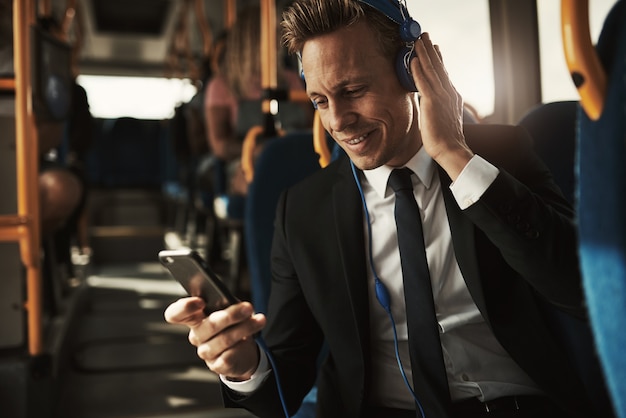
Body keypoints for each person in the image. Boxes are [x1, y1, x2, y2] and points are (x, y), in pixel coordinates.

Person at [165, 0, 601, 417]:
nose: (337, 120)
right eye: (320, 101)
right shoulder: (302, 210)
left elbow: (576, 289)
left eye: (353, 90)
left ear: (412, 72)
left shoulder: (502, 156)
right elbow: (285, 386)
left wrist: (454, 154)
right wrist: (244, 367)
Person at [203, 4, 310, 196]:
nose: (281, 39)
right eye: (276, 32)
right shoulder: (222, 86)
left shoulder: (290, 79)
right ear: (254, 37)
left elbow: (312, 126)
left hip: (293, 156)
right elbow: (220, 146)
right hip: (248, 162)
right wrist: (258, 149)